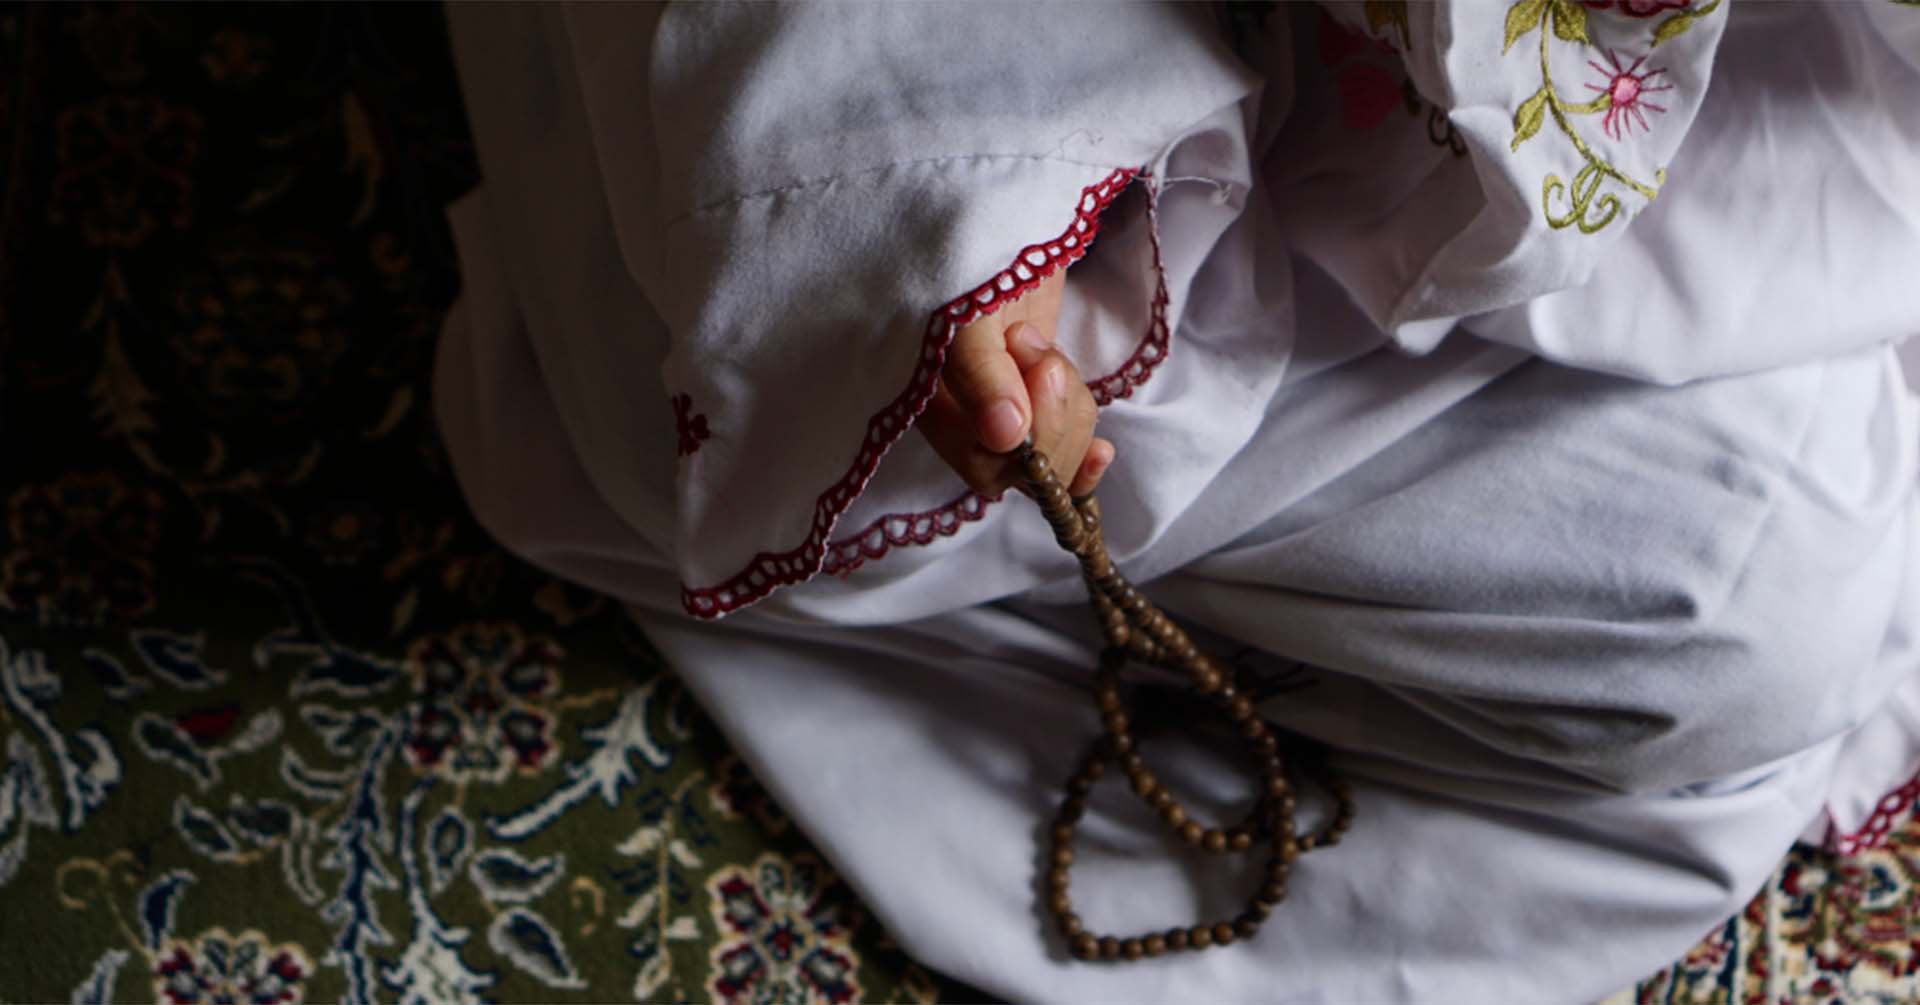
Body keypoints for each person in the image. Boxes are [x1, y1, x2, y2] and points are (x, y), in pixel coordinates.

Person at [433, 3, 1920, 1002]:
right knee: (1764, 593)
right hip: (1010, 88)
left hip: (1693, 177)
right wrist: (970, 205)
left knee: (1760, 604)